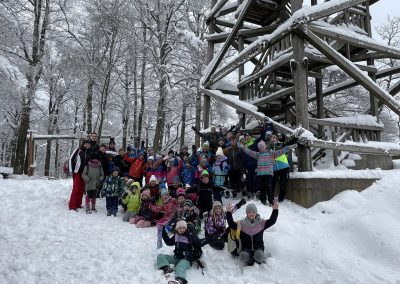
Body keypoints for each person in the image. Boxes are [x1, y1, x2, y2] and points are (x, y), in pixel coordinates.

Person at [238, 138, 296, 206]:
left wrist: (288, 148)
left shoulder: (271, 153)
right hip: (260, 174)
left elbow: (280, 152)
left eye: (262, 147)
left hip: (268, 174)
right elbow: (250, 152)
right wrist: (243, 148)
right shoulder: (258, 154)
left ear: (265, 146)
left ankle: (271, 201)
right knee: (262, 187)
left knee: (269, 187)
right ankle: (263, 200)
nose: (261, 148)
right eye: (260, 148)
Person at [157, 220, 213, 284]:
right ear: (177, 228)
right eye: (180, 228)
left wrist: (211, 238)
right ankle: (166, 268)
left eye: (184, 228)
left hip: (186, 259)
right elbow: (168, 242)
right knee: (160, 256)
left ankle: (180, 280)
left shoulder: (190, 236)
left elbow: (199, 243)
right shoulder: (176, 236)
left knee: (180, 267)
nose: (182, 229)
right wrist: (163, 230)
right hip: (177, 257)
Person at [226, 201, 279, 266]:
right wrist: (228, 212)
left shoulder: (261, 223)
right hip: (246, 248)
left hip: (258, 247)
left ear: (256, 213)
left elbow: (272, 221)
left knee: (260, 256)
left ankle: (257, 259)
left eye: (253, 212)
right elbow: (232, 224)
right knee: (243, 257)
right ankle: (250, 260)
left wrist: (275, 210)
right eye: (249, 212)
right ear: (246, 213)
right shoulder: (241, 224)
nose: (251, 214)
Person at [68, 140, 92, 211]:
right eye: (86, 144)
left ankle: (78, 204)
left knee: (81, 189)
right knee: (76, 189)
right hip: (77, 172)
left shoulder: (90, 153)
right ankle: (72, 205)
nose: (87, 145)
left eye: (89, 144)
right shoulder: (78, 150)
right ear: (83, 144)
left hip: (85, 173)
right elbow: (71, 159)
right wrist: (71, 170)